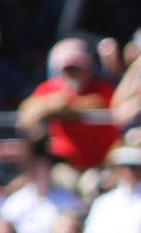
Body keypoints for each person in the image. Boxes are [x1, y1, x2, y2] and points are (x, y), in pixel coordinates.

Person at [17, 39, 119, 171]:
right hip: (62, 166)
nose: (73, 74)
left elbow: (97, 103)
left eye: (77, 69)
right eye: (68, 70)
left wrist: (62, 106)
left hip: (100, 166)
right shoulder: (48, 89)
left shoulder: (102, 89)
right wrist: (51, 106)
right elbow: (27, 110)